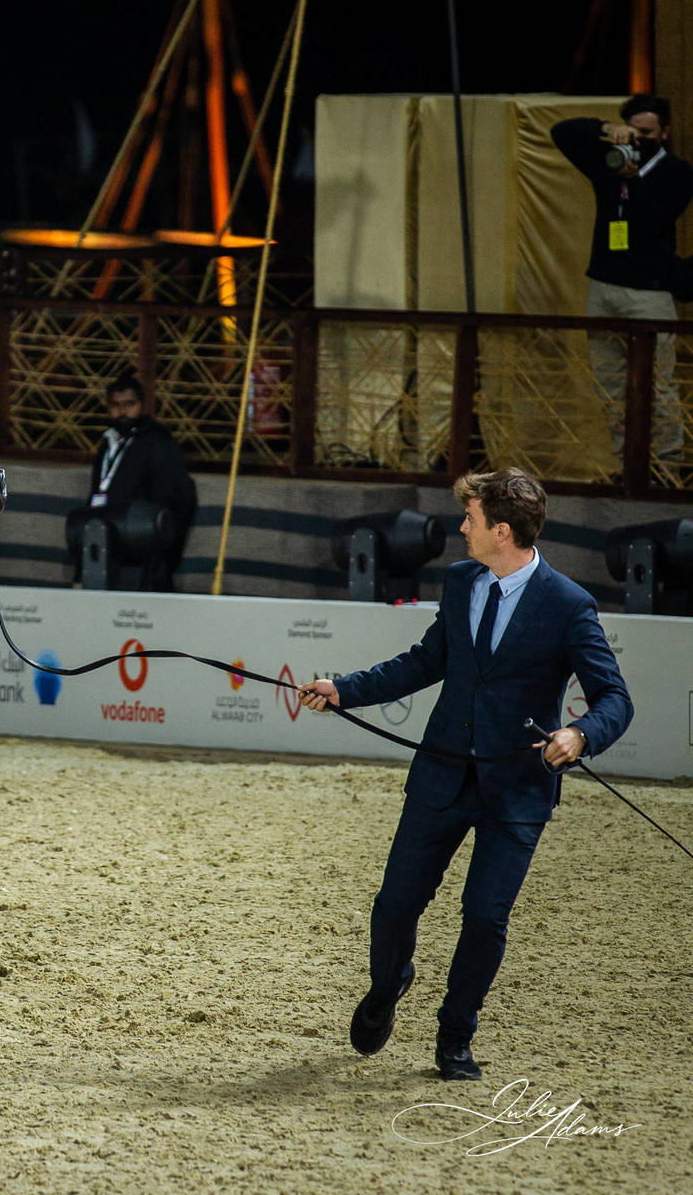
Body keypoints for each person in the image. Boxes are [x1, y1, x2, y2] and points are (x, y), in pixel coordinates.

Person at [296, 467, 632, 1081]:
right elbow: (425, 661)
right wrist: (343, 689)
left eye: (471, 519)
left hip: (518, 791)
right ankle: (388, 985)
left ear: (501, 531)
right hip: (442, 774)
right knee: (395, 904)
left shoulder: (568, 605)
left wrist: (581, 734)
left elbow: (615, 698)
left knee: (484, 917)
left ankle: (455, 1035)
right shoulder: (460, 582)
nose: (462, 528)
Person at [551, 95, 693, 464]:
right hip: (603, 286)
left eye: (647, 133)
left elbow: (655, 218)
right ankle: (624, 463)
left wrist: (635, 181)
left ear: (665, 132)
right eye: (634, 132)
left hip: (649, 292)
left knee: (657, 386)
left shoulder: (677, 171)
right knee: (610, 383)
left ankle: (668, 463)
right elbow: (562, 132)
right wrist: (606, 130)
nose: (640, 140)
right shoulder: (610, 163)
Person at [68, 372, 196, 590]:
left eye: (130, 404)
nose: (123, 411)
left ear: (142, 405)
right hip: (105, 535)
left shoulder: (157, 443)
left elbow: (175, 498)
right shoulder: (107, 444)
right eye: (116, 405)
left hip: (140, 541)